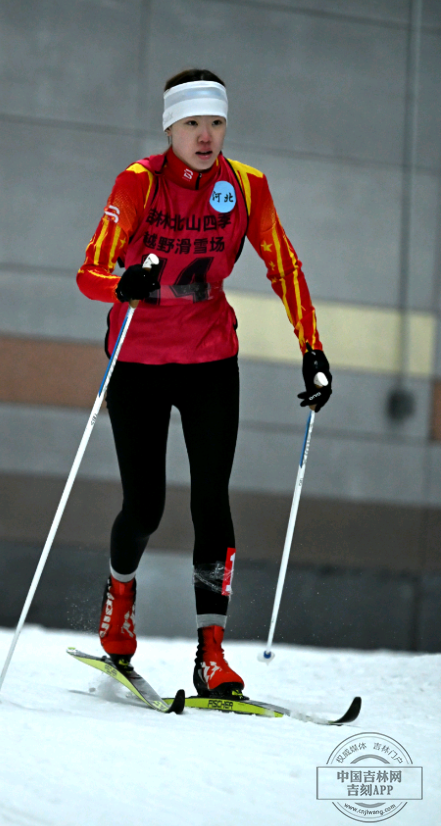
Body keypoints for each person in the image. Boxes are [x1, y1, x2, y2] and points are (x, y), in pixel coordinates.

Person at [76, 69, 332, 699]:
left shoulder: (246, 186)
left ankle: (211, 652)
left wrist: (312, 349)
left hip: (210, 358)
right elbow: (90, 271)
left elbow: (283, 264)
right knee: (146, 507)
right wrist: (123, 284)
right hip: (137, 359)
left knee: (212, 501)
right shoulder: (138, 183)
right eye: (192, 123)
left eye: (215, 122)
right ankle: (119, 600)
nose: (205, 135)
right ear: (170, 128)